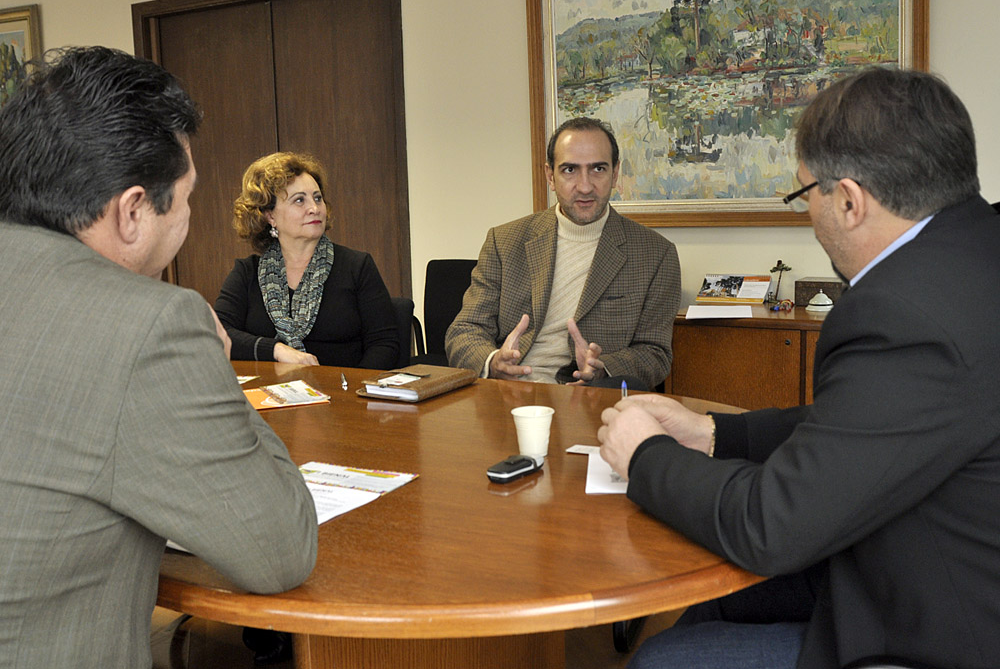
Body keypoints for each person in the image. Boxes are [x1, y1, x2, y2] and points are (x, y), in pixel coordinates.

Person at [599, 67, 1000, 669]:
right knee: (710, 610)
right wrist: (713, 434)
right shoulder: (971, 254)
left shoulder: (904, 314)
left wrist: (645, 455)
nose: (807, 214)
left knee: (664, 659)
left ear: (849, 200)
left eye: (803, 194)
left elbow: (770, 526)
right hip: (907, 547)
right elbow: (861, 426)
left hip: (930, 621)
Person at [0, 47, 317, 668]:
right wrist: (216, 368)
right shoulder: (148, 327)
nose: (193, 217)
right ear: (133, 211)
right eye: (188, 197)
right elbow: (280, 549)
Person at [445, 117, 681, 390]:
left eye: (598, 169)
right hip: (508, 396)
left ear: (615, 174)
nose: (584, 186)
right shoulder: (505, 242)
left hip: (593, 403)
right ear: (550, 176)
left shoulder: (655, 254)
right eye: (570, 169)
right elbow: (464, 331)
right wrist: (494, 361)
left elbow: (656, 354)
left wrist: (603, 368)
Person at [215, 152, 398, 369]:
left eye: (317, 198)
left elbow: (385, 344)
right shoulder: (247, 273)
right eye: (299, 200)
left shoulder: (356, 266)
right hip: (270, 396)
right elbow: (218, 333)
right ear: (270, 216)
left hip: (342, 394)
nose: (315, 208)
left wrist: (352, 391)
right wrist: (277, 350)